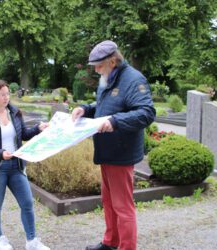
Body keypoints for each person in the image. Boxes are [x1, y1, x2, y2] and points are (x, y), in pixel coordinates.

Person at [71, 40, 156, 250]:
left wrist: (115, 121)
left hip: (121, 152)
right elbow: (103, 106)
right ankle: (110, 242)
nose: (96, 70)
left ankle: (127, 247)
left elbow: (146, 113)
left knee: (122, 206)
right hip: (107, 152)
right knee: (108, 202)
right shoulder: (109, 77)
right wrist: (85, 109)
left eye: (99, 66)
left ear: (112, 61)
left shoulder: (134, 79)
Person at [0, 79, 50, 250]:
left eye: (8, 93)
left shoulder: (14, 112)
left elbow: (23, 133)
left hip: (16, 167)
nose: (6, 97)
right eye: (2, 94)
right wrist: (0, 154)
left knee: (27, 203)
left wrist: (38, 129)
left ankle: (32, 242)